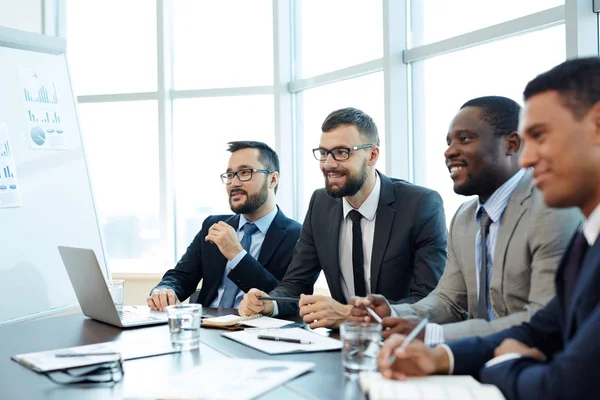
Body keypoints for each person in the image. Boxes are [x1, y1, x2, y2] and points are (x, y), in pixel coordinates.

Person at [377, 57, 600, 400]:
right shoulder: (588, 238)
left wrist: (502, 362)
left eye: (540, 136)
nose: (527, 159)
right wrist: (439, 356)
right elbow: (541, 328)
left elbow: (566, 384)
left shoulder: (555, 214)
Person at [351, 96, 581, 344]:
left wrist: (434, 334)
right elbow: (449, 300)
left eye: (465, 139)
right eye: (449, 142)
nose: (449, 151)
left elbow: (542, 318)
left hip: (536, 366)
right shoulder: (464, 217)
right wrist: (393, 313)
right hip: (474, 361)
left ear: (512, 144)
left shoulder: (552, 208)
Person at [238, 107, 447, 328]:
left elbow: (429, 302)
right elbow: (297, 282)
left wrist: (351, 316)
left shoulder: (420, 204)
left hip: (402, 344)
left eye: (341, 152)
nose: (328, 164)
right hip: (341, 344)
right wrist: (269, 303)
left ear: (372, 155)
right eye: (323, 153)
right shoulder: (320, 203)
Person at [147, 141, 301, 311]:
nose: (234, 183)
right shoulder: (213, 225)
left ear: (272, 179)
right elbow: (181, 275)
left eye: (245, 173)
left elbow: (286, 298)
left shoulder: (298, 236)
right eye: (230, 175)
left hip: (256, 331)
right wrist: (165, 290)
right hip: (206, 327)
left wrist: (236, 254)